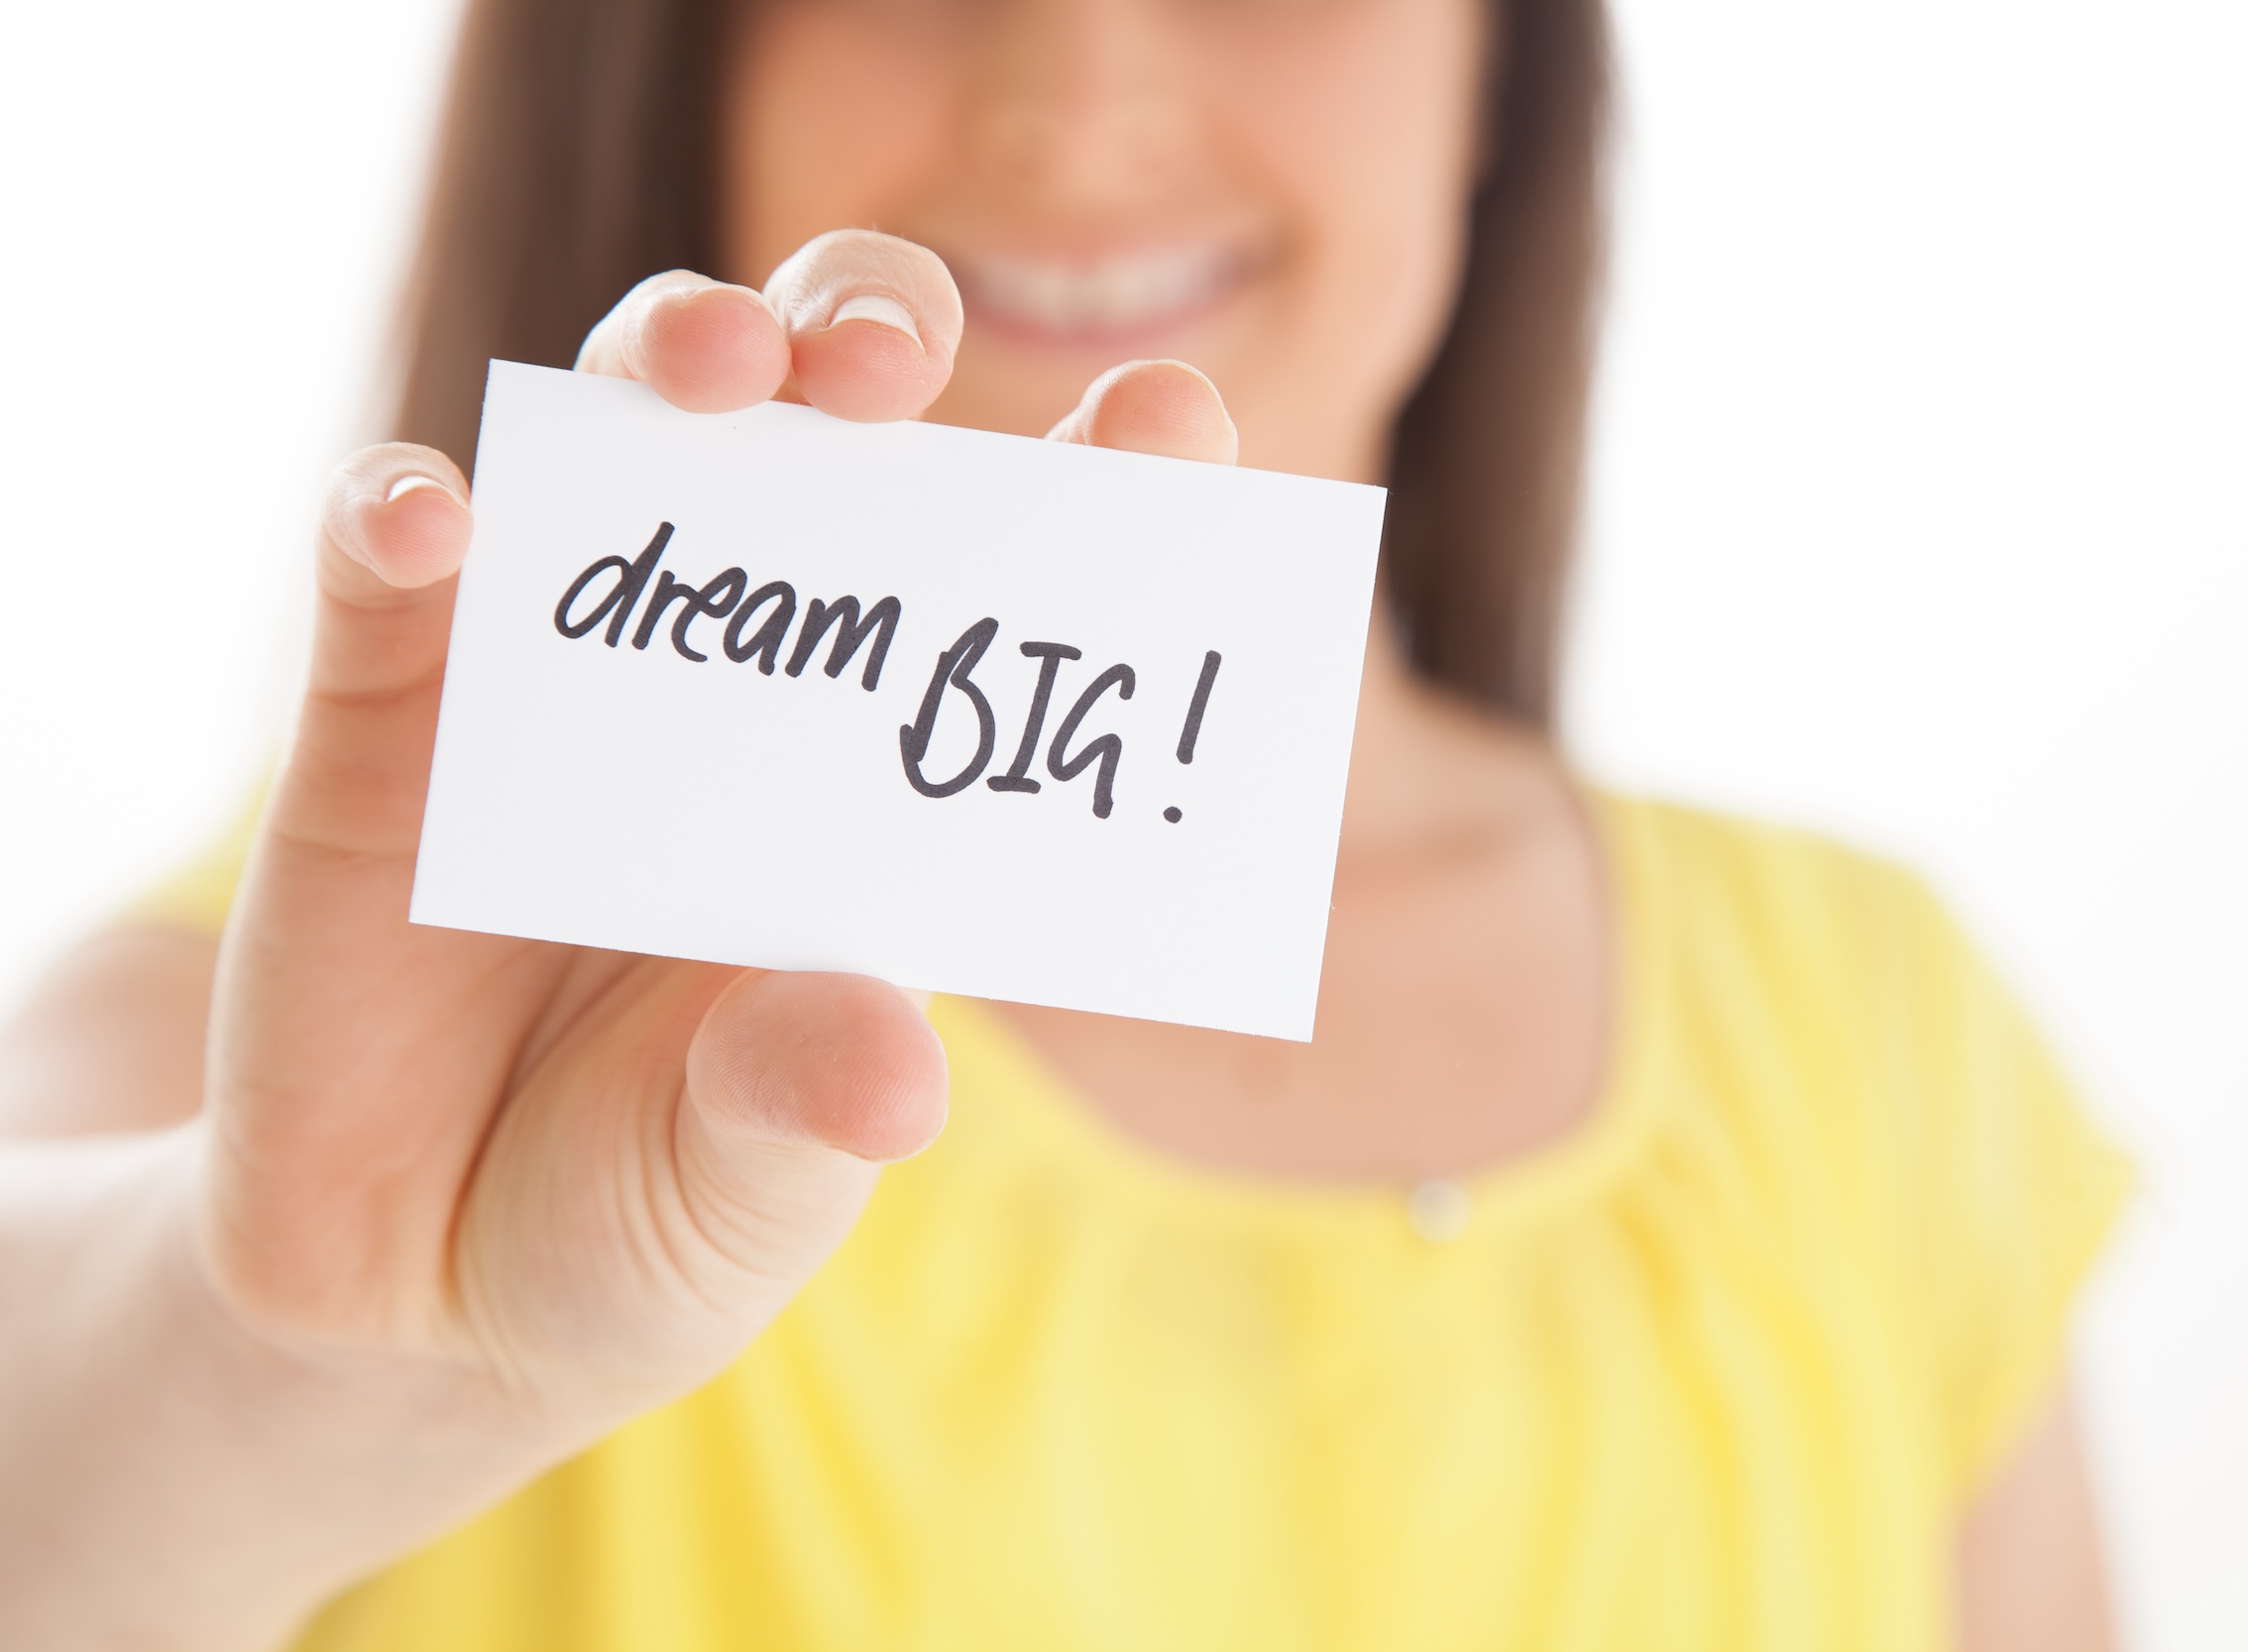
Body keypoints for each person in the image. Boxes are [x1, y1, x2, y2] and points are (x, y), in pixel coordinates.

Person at [0, 0, 2129, 1645]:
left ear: (1502, 72)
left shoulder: (1880, 1036)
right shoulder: (331, 1048)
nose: (1075, 94)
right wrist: (264, 1359)